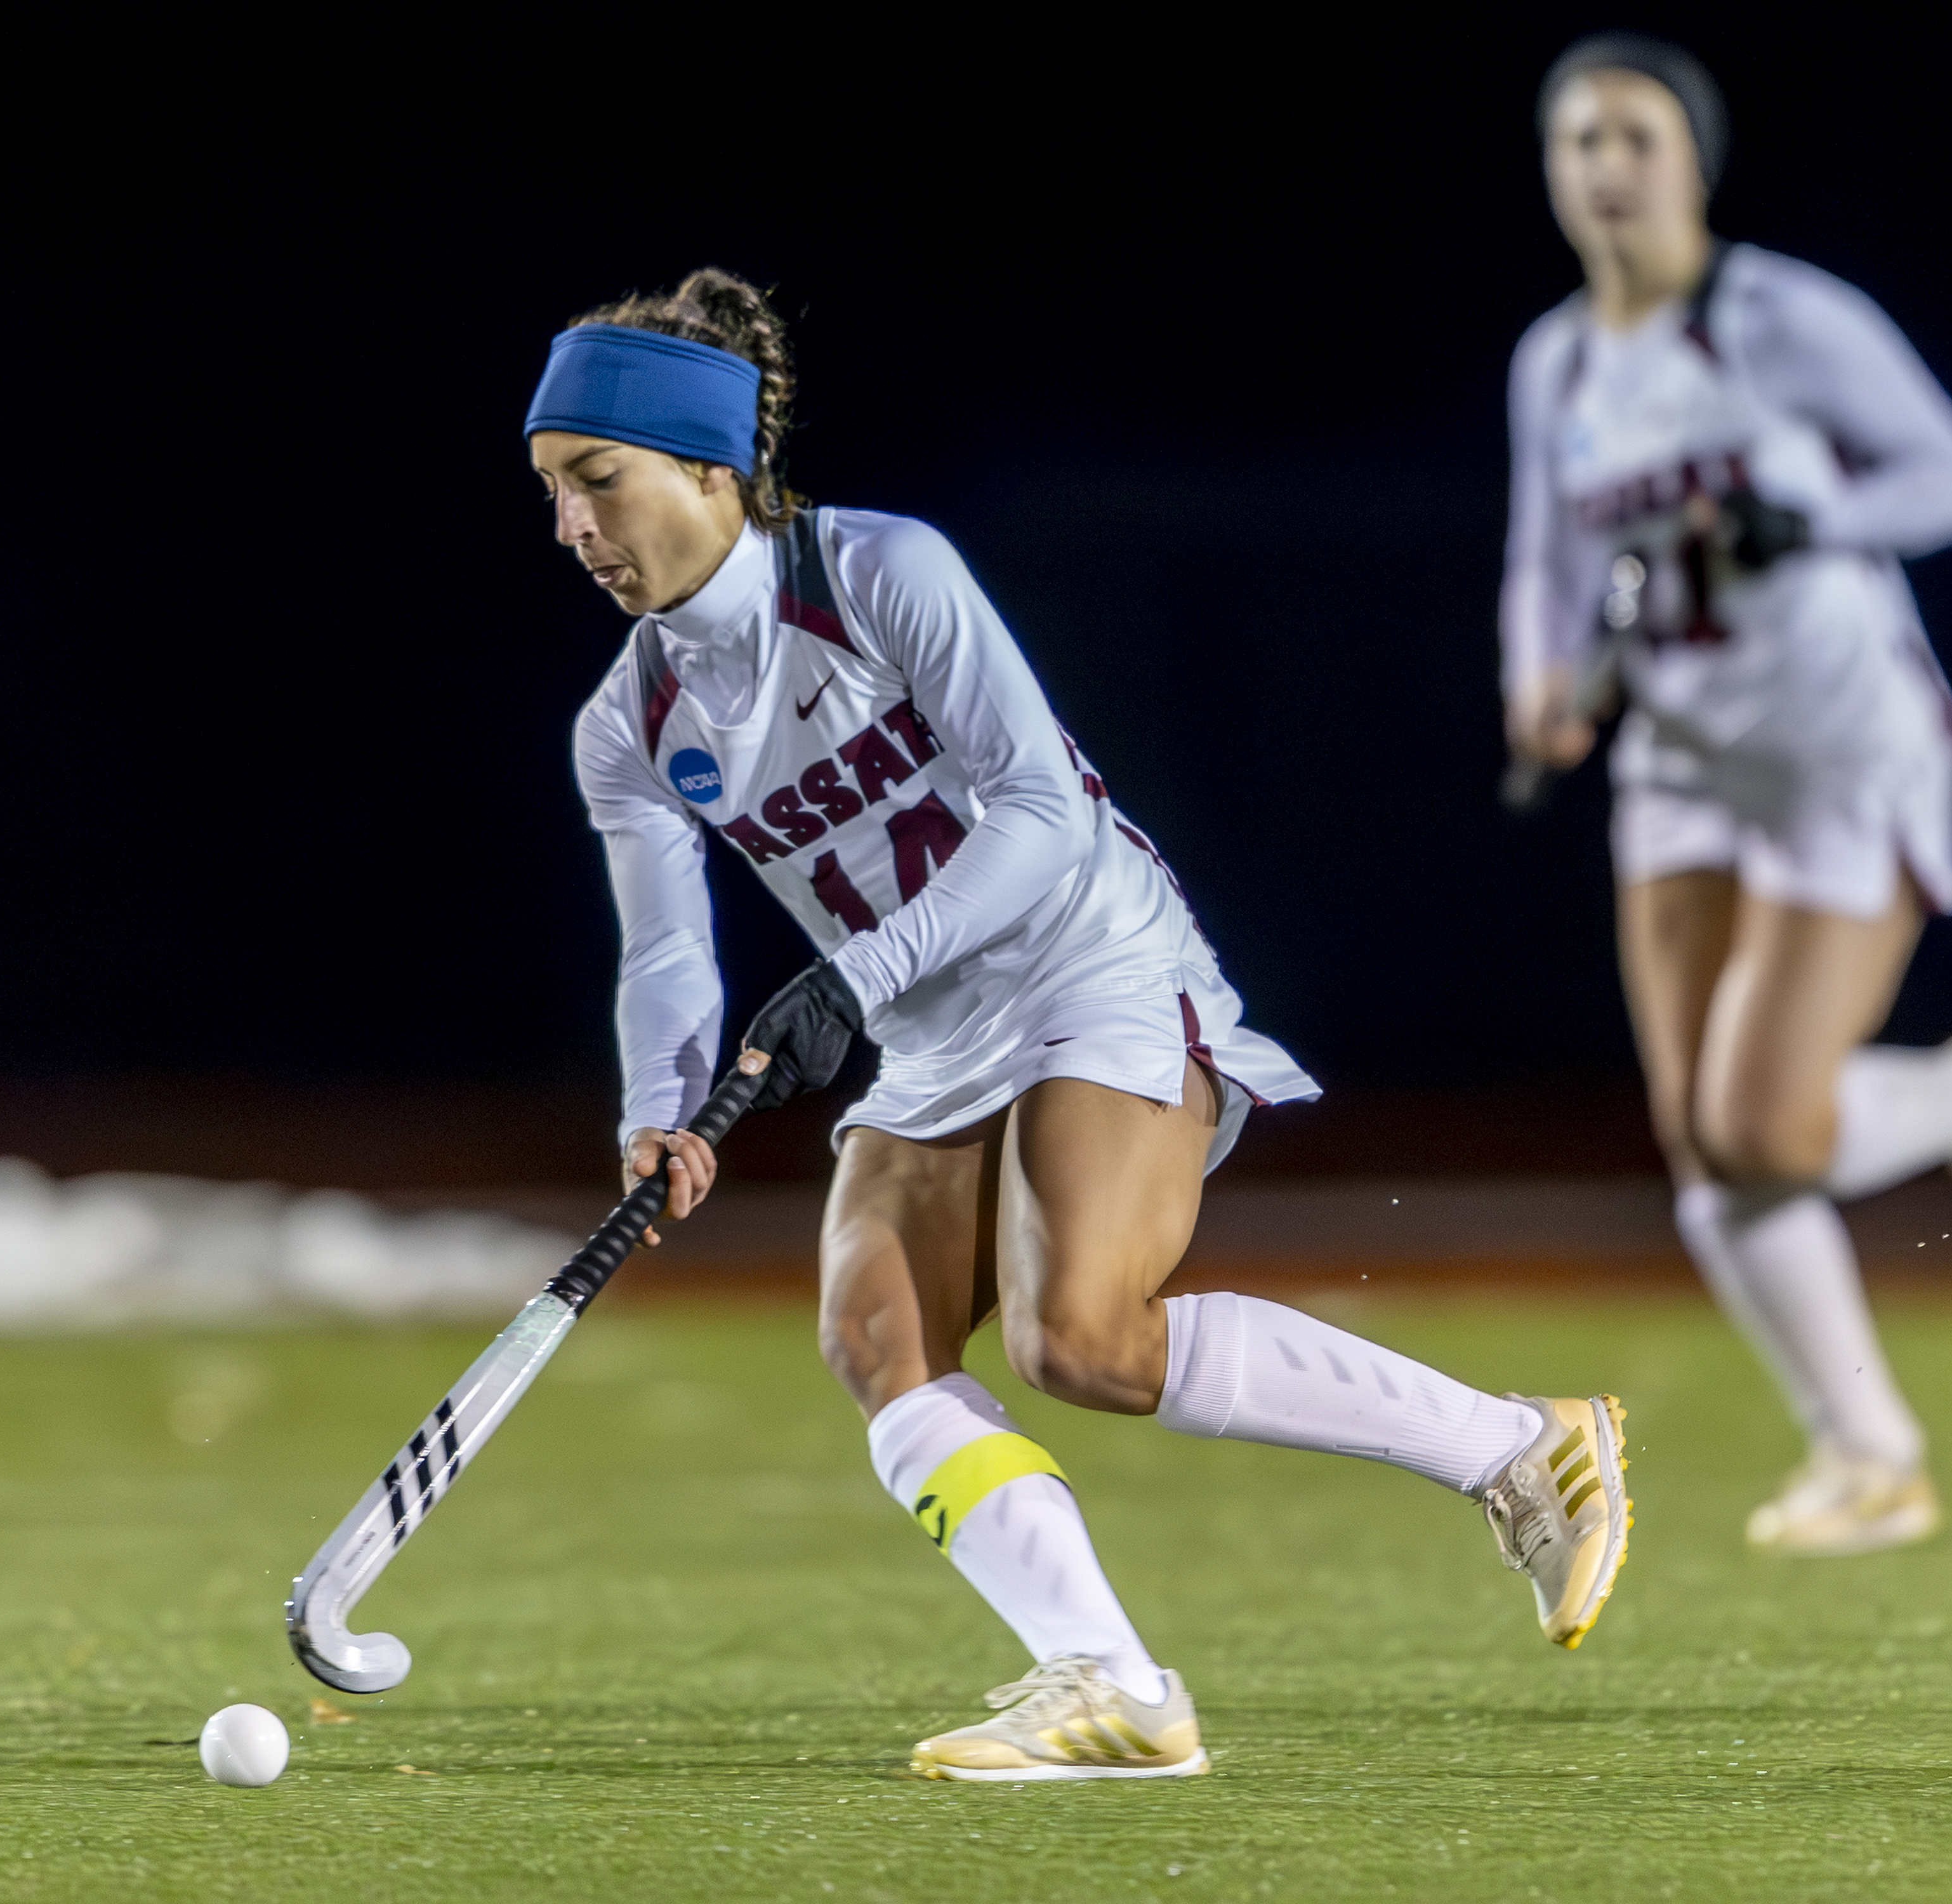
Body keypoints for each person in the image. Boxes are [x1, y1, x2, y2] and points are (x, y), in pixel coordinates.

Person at [534, 268, 1631, 1781]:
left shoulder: (877, 574)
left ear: (710, 470)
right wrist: (655, 1110)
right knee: (877, 1343)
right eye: (553, 495)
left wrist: (857, 974)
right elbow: (664, 952)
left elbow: (1044, 811)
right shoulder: (628, 724)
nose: (573, 530)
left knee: (1080, 1337)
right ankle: (1116, 1685)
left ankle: (1519, 1446)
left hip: (1087, 959)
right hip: (931, 1033)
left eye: (599, 482)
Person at [1501, 35, 1952, 1558]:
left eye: (1635, 136)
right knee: (1701, 1145)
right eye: (1579, 142)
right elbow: (1548, 564)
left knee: (1758, 1124)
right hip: (1682, 767)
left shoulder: (1777, 319)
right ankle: (1869, 1454)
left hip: (1842, 746)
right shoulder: (1559, 360)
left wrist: (1810, 512)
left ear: (1695, 161)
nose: (1606, 167)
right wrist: (1542, 680)